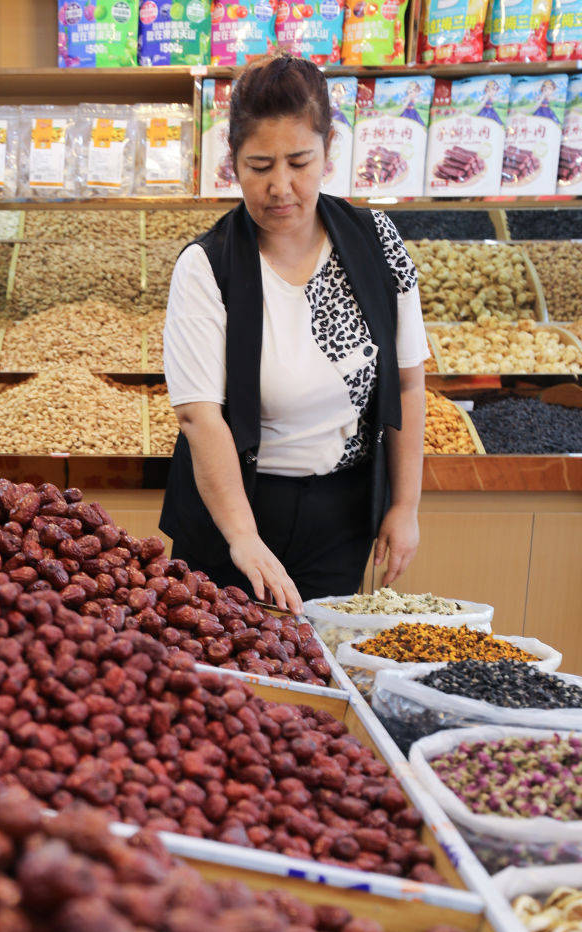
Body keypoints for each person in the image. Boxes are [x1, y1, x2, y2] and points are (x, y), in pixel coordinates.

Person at [161, 55, 428, 614]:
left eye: (299, 161)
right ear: (232, 162)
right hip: (232, 510)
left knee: (320, 674)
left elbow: (407, 382)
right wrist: (242, 537)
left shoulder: (376, 240)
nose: (280, 186)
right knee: (224, 678)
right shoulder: (207, 266)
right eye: (259, 166)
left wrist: (405, 506)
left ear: (328, 150)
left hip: (342, 512)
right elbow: (199, 416)